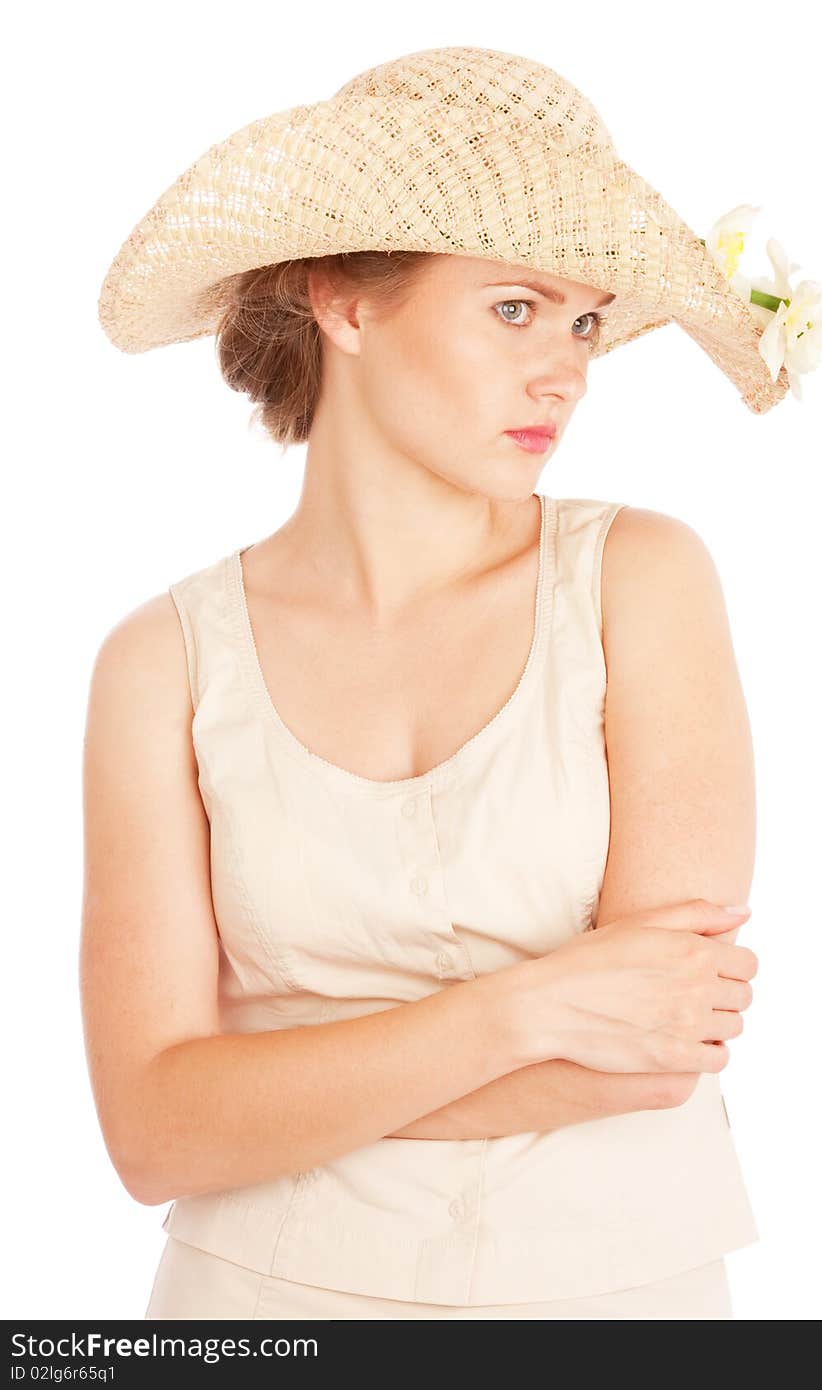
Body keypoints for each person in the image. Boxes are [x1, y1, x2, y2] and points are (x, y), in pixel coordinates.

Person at [81, 46, 774, 1320]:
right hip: (257, 1310)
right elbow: (153, 1134)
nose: (564, 368)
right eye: (513, 308)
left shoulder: (641, 580)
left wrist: (270, 1093)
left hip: (617, 1299)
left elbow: (659, 1043)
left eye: (582, 322)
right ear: (343, 300)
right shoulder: (161, 663)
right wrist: (521, 1011)